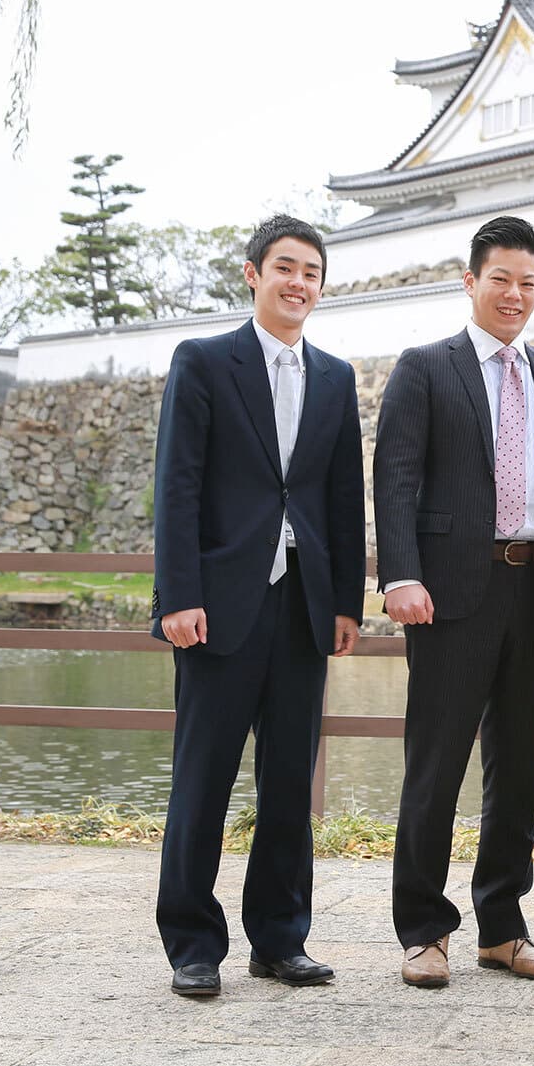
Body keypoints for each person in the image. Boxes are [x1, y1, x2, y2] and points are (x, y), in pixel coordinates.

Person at [150, 214, 365, 999]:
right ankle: (192, 944)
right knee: (202, 777)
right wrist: (179, 594)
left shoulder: (336, 377)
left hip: (303, 605)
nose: (298, 281)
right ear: (252, 273)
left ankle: (280, 938)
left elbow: (344, 498)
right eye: (285, 267)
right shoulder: (204, 362)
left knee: (287, 785)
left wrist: (346, 601)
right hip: (219, 605)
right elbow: (176, 483)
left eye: (311, 270)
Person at [374, 215, 534, 988]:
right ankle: (424, 929)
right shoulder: (425, 367)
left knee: (519, 764)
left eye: (528, 282)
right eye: (500, 277)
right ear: (470, 281)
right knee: (435, 762)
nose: (514, 293)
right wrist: (400, 573)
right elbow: (396, 476)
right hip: (448, 591)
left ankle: (503, 925)